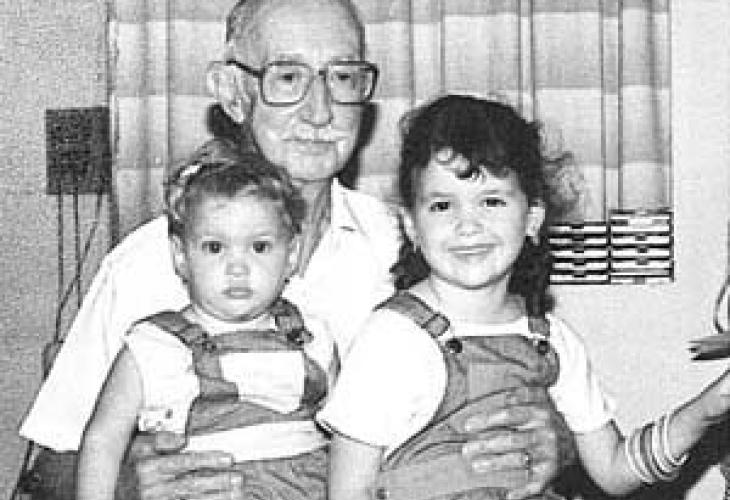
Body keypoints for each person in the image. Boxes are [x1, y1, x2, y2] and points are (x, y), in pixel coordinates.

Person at [19, 2, 574, 500]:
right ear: (233, 93)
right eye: (288, 77)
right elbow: (46, 469)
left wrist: (558, 442)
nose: (320, 111)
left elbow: (529, 380)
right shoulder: (146, 264)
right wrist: (122, 485)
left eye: (343, 77)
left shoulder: (421, 244)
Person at [320, 94, 730, 500]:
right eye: (442, 205)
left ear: (532, 218)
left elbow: (615, 471)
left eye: (491, 201)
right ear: (411, 225)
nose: (467, 224)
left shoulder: (552, 341)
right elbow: (348, 492)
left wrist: (709, 406)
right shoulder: (391, 339)